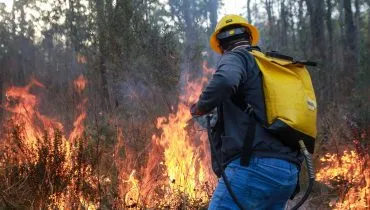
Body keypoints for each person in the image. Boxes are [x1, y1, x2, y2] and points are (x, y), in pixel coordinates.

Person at [190, 14, 301, 210]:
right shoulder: (270, 66)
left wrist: (201, 107)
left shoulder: (237, 56)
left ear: (221, 46)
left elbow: (225, 81)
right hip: (288, 171)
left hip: (253, 165)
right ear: (250, 38)